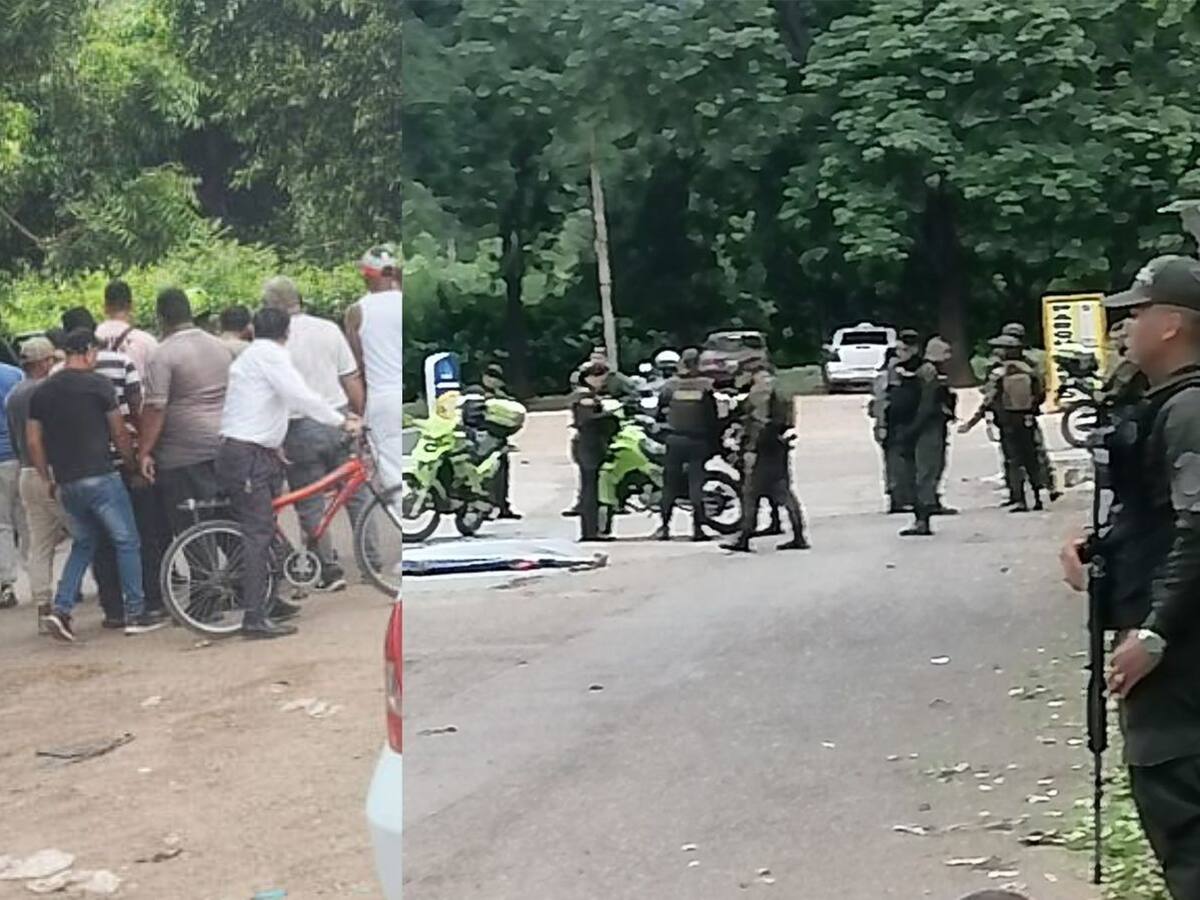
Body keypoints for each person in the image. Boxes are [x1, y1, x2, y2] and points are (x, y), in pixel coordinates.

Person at [1060, 255, 1200, 900]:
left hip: (1181, 663)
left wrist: (1155, 632)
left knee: (1183, 816)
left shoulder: (1189, 411)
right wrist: (1101, 548)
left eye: (1136, 314)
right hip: (1171, 646)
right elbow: (1165, 519)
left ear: (1171, 324)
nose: (1123, 328)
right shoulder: (1165, 407)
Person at [217, 308, 360, 640]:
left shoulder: (255, 356)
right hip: (248, 456)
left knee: (267, 527)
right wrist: (342, 420)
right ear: (287, 332)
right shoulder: (271, 358)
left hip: (251, 451)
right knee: (258, 533)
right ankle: (254, 617)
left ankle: (268, 599)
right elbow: (302, 397)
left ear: (253, 329)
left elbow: (266, 406)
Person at [27, 328, 164, 641]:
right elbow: (118, 431)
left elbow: (34, 441)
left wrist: (46, 477)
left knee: (84, 543)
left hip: (67, 482)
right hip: (101, 477)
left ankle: (61, 609)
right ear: (87, 350)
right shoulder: (99, 385)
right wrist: (132, 464)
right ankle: (136, 612)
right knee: (127, 541)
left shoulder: (43, 392)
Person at [60, 306, 167, 627]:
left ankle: (113, 609)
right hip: (121, 461)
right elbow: (136, 411)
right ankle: (150, 601)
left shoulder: (56, 375)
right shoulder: (122, 363)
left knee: (101, 544)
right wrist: (140, 457)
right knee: (140, 534)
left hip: (77, 466)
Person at [262, 275, 367, 591]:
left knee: (309, 502)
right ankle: (370, 560)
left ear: (271, 308)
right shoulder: (328, 329)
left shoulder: (273, 343)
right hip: (336, 417)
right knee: (356, 494)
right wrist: (357, 416)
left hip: (297, 429)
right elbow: (351, 378)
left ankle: (329, 570)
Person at [138, 288, 232, 541]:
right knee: (228, 520)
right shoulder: (221, 347)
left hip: (183, 456)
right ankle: (243, 576)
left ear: (160, 317)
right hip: (224, 445)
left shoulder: (162, 354)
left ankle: (205, 579)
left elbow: (156, 409)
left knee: (191, 529)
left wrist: (145, 451)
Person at [6, 338, 70, 625]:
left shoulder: (14, 396)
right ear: (44, 361)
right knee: (84, 534)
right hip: (50, 470)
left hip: (26, 472)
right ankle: (69, 596)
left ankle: (43, 604)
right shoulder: (47, 392)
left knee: (39, 543)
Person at [722, 363, 809, 553]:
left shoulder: (761, 389)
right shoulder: (781, 388)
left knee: (750, 492)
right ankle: (799, 535)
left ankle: (744, 537)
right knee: (784, 491)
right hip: (779, 444)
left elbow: (760, 421)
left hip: (762, 446)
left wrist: (750, 445)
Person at [345, 244, 405, 489]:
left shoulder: (357, 311)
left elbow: (355, 365)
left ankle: (402, 521)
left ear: (366, 275)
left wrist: (357, 410)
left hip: (383, 398)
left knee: (391, 472)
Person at [655, 348, 719, 542]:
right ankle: (698, 529)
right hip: (698, 440)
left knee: (669, 485)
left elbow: (659, 413)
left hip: (674, 440)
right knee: (696, 485)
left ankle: (664, 527)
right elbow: (713, 417)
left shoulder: (670, 386)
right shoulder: (705, 386)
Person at [1000, 322, 1059, 500]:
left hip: (1022, 413)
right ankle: (1019, 492)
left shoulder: (1029, 363)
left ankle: (1043, 487)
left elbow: (1039, 386)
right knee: (1020, 454)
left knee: (1029, 453)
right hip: (1014, 414)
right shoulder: (1007, 363)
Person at [569, 363, 619, 542]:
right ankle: (590, 531)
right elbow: (587, 420)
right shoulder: (584, 397)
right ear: (590, 377)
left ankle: (593, 529)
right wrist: (611, 416)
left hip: (591, 444)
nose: (603, 382)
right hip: (589, 445)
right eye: (601, 378)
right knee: (590, 490)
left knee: (592, 488)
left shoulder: (589, 395)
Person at [881, 330, 923, 515]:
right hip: (893, 420)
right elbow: (882, 399)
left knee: (906, 460)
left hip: (904, 418)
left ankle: (907, 497)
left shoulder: (907, 367)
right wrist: (881, 424)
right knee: (896, 460)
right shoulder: (893, 370)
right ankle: (898, 498)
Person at [923, 336, 959, 516]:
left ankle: (932, 498)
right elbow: (930, 399)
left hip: (937, 423)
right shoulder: (929, 371)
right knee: (930, 464)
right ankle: (927, 501)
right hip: (930, 424)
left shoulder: (936, 372)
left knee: (937, 463)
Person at [95, 278, 158, 377]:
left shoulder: (93, 337)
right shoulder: (147, 341)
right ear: (131, 306)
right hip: (136, 391)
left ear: (105, 307)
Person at [481, 362, 521, 520]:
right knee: (487, 475)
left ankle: (502, 506)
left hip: (499, 438)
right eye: (490, 376)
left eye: (496, 377)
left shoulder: (503, 396)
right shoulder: (477, 395)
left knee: (502, 474)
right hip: (484, 439)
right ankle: (485, 507)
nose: (492, 380)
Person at [0, 350, 24, 608]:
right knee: (29, 521)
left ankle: (5, 584)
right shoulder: (14, 374)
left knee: (2, 525)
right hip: (20, 455)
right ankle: (45, 582)